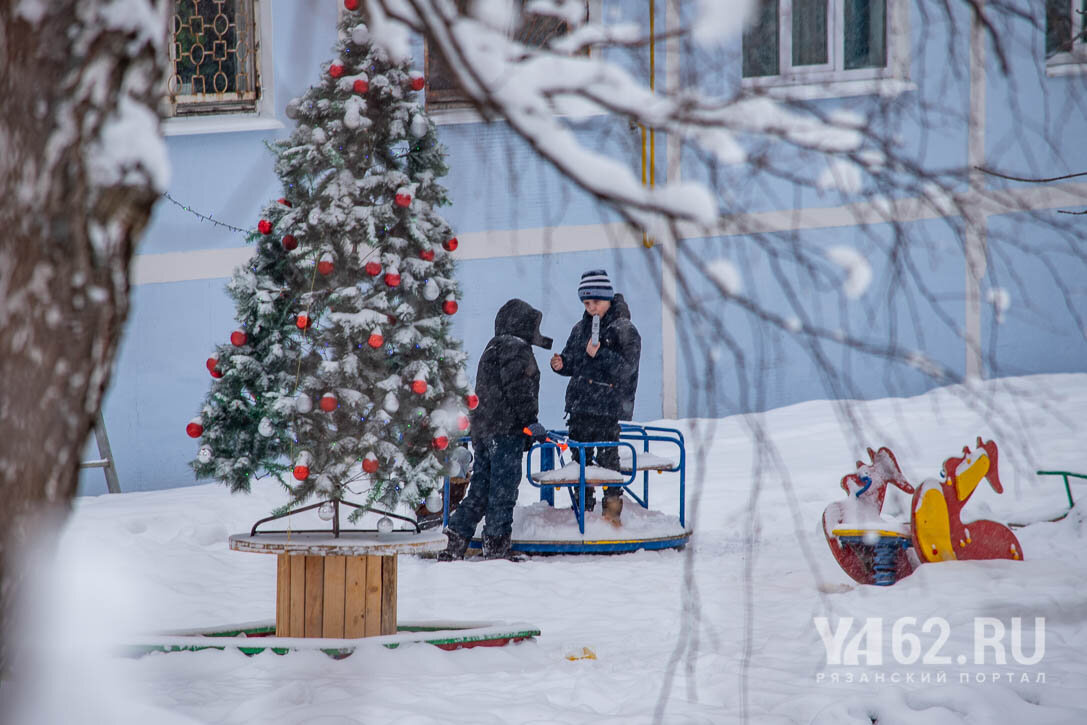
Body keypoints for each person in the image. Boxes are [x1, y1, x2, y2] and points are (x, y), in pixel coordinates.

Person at [439, 299, 551, 561]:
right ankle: (496, 548)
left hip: (484, 431)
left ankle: (453, 541)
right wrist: (530, 421)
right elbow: (519, 390)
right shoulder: (516, 348)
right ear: (521, 324)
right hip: (506, 432)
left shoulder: (493, 346)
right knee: (503, 491)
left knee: (480, 489)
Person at [550, 269, 640, 526]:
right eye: (586, 303)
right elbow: (575, 361)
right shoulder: (580, 328)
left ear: (609, 299)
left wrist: (600, 353)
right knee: (580, 460)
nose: (591, 308)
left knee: (608, 461)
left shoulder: (624, 329)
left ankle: (612, 515)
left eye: (596, 303)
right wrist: (562, 363)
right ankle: (582, 512)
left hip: (607, 408)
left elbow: (627, 370)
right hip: (580, 408)